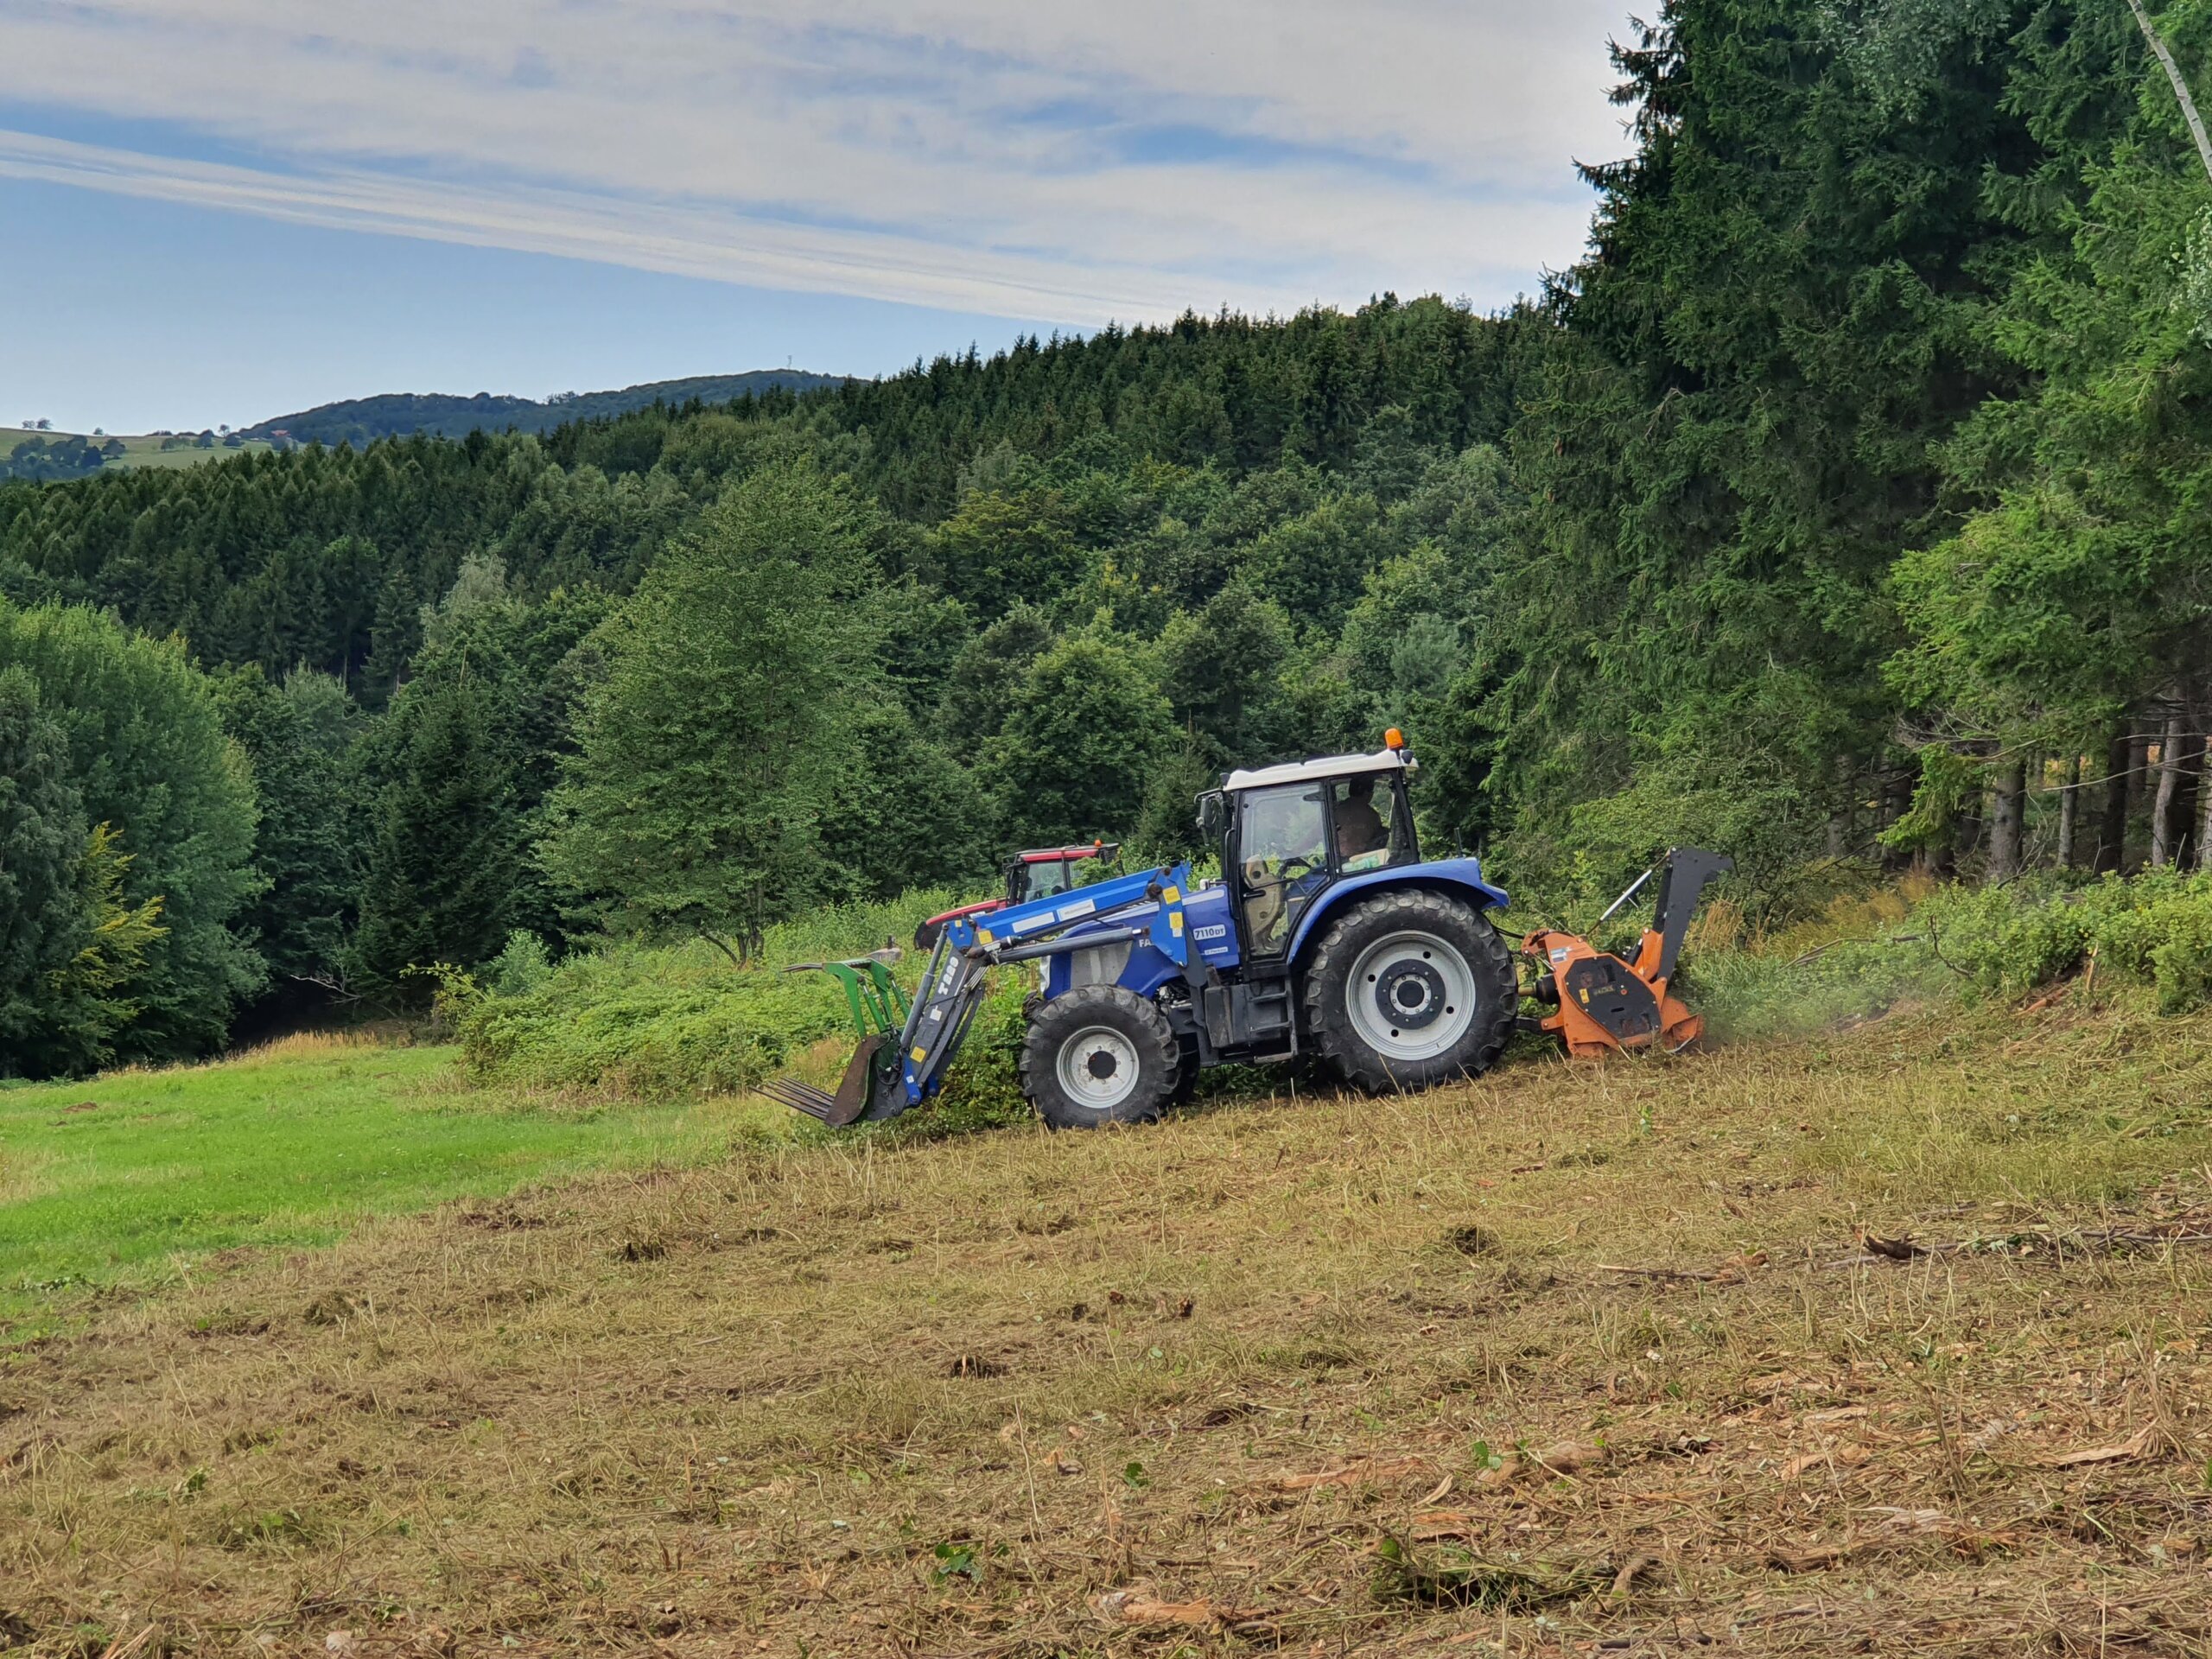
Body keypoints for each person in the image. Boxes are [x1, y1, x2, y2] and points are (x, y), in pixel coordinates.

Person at [1336, 775, 1388, 862]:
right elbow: (1378, 839)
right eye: (1371, 791)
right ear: (1367, 793)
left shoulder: (1336, 811)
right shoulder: (1372, 816)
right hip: (1363, 860)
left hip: (1338, 860)